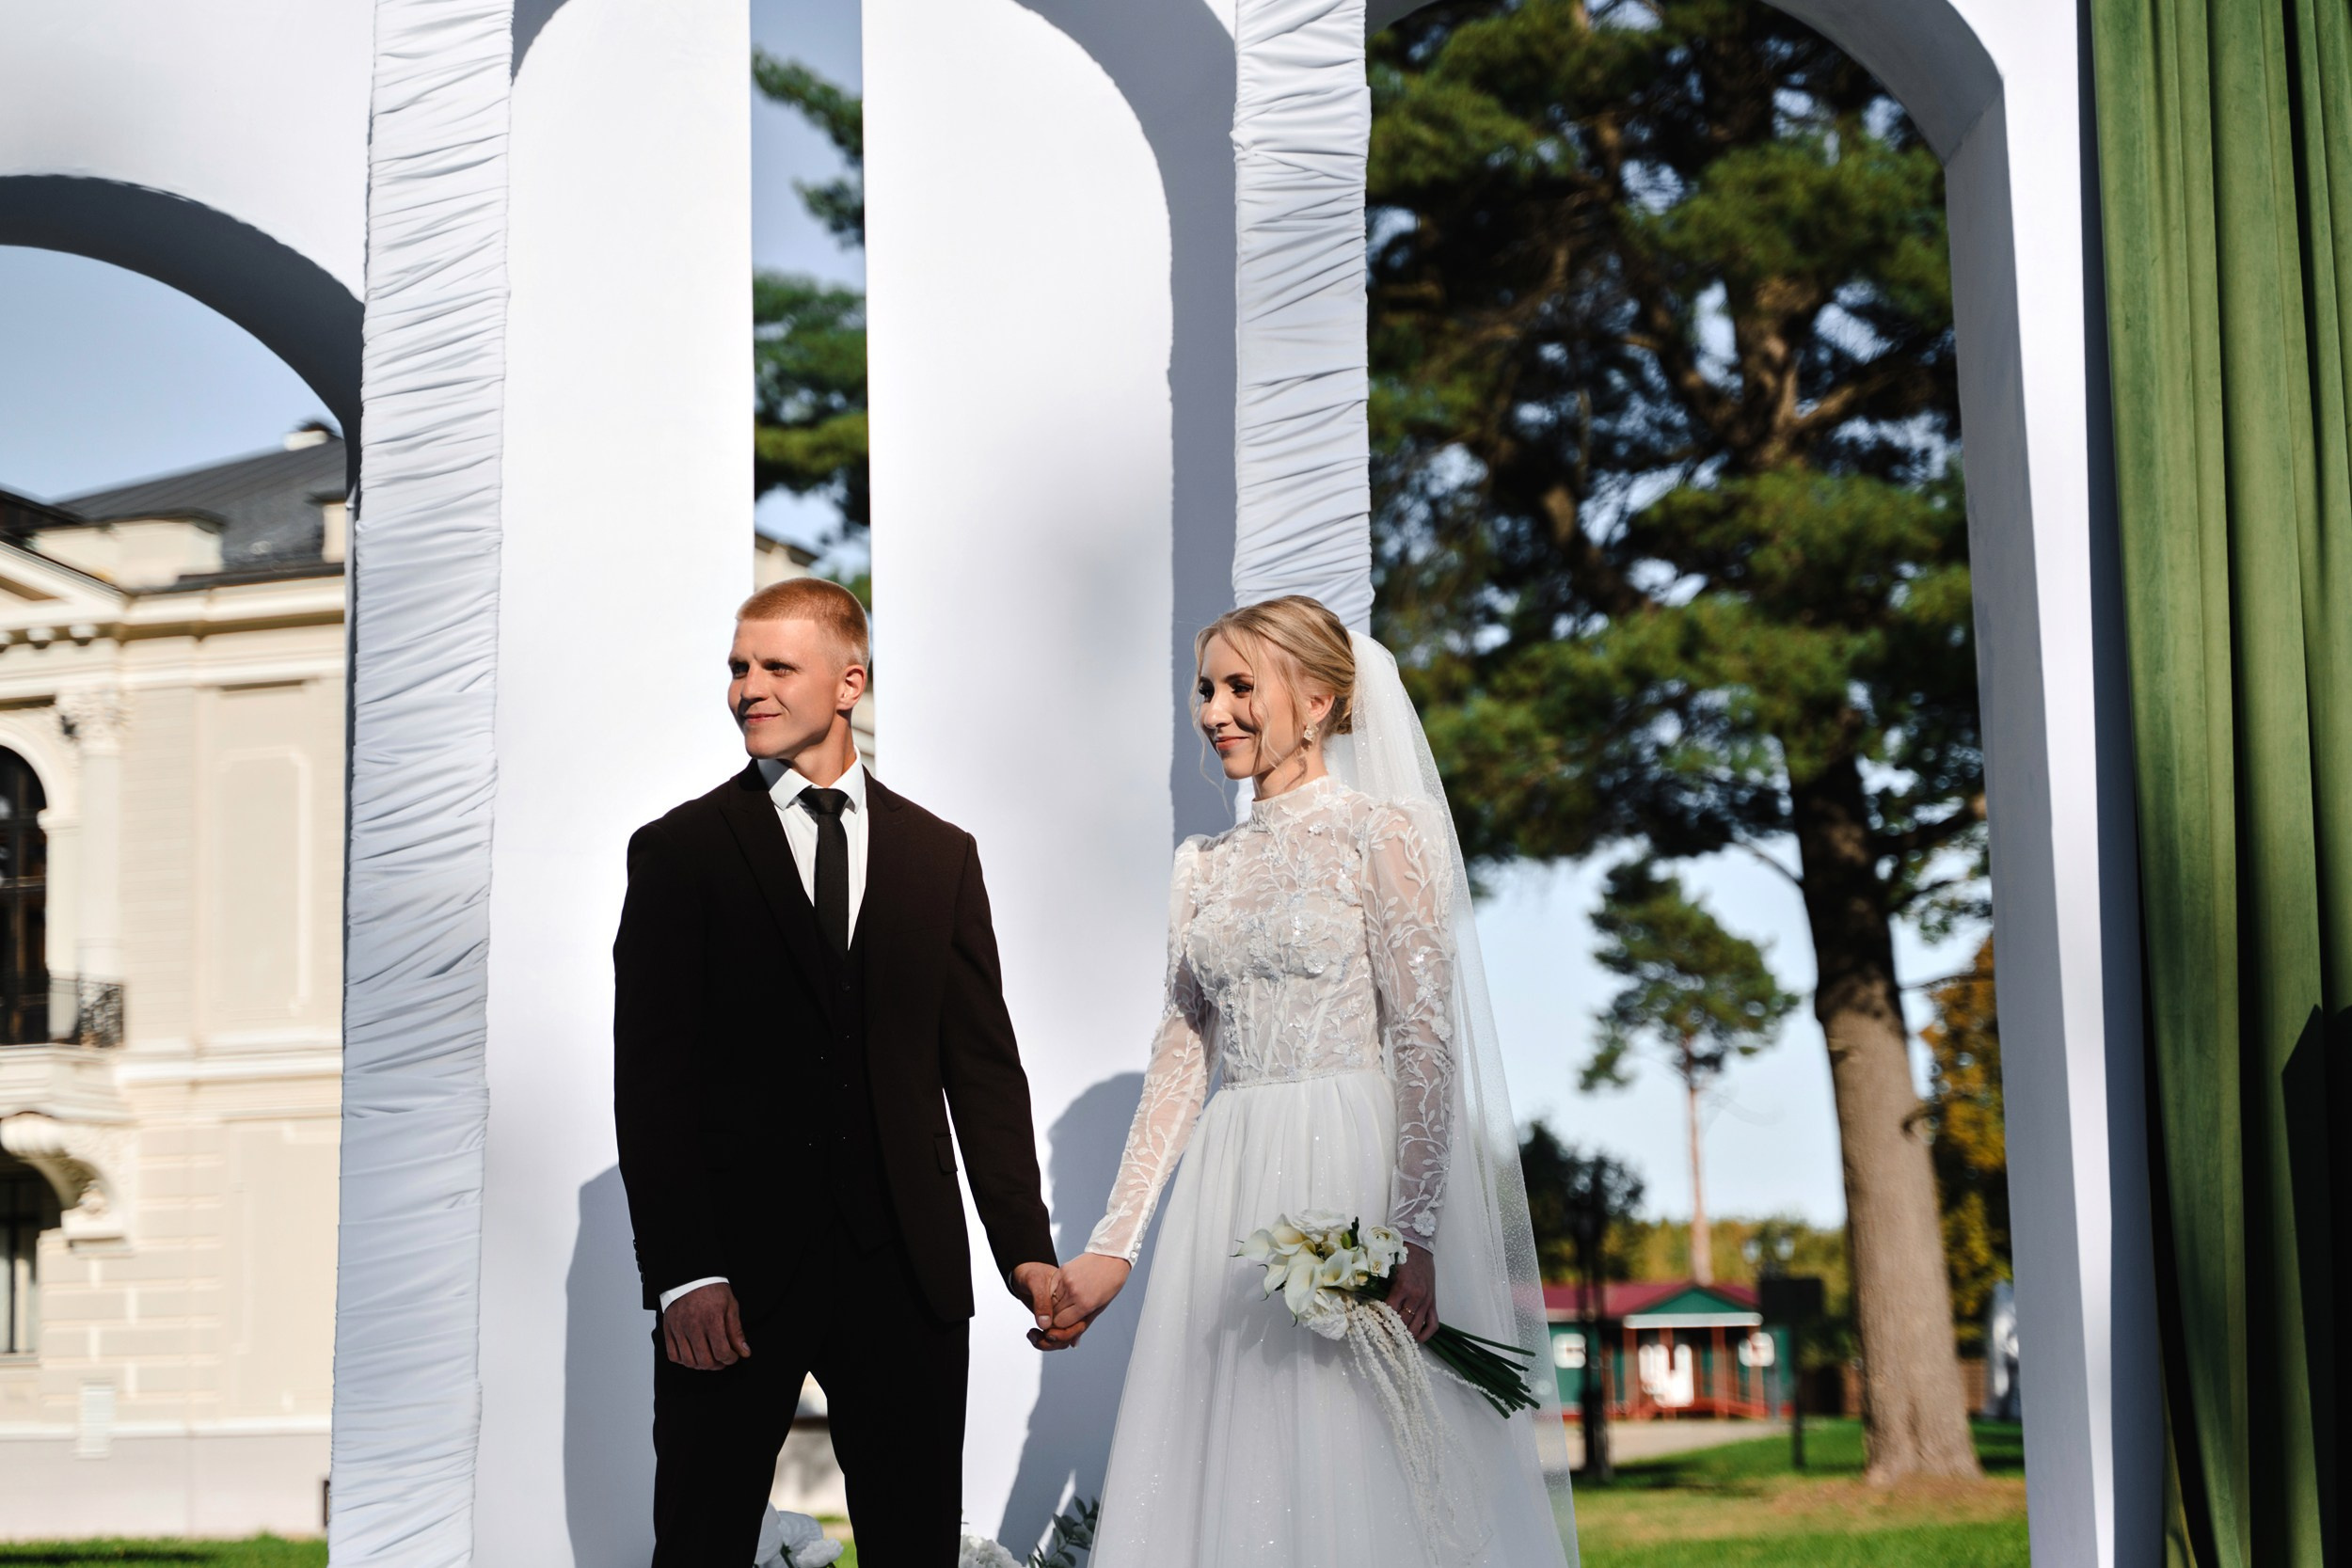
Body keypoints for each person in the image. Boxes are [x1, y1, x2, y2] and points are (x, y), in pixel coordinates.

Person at [1048, 595, 1578, 1567]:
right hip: (1229, 1179)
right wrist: (1112, 1247)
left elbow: (1424, 1040)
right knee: (1232, 1444)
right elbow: (1180, 1055)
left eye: (1241, 686)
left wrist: (1412, 1232)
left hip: (1348, 1166)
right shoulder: (1200, 863)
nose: (1214, 710)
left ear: (1322, 700)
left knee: (1351, 1447)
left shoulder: (1383, 831)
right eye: (1205, 688)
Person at [612, 577, 1063, 1566]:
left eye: (776, 665)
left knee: (913, 1547)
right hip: (731, 1279)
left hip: (906, 1271)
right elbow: (652, 1080)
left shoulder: (941, 856)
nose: (747, 688)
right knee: (700, 1542)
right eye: (738, 666)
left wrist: (1024, 1247)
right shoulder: (678, 852)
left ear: (848, 679)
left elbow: (981, 1070)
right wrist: (686, 1270)